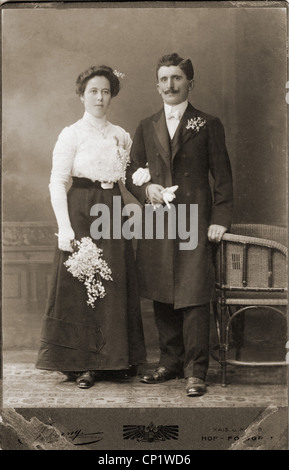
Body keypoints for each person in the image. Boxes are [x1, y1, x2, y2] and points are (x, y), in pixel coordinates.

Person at [126, 53, 233, 396]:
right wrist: (147, 189)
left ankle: (196, 370)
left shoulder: (208, 123)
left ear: (190, 83)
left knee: (194, 294)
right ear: (156, 85)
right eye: (164, 79)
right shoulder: (146, 125)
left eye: (176, 78)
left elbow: (223, 177)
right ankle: (169, 362)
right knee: (162, 290)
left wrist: (219, 220)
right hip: (158, 221)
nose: (170, 85)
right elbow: (130, 171)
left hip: (195, 220)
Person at [35, 65, 146, 388]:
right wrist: (65, 228)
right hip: (81, 208)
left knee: (112, 283)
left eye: (105, 91)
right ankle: (82, 363)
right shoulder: (71, 133)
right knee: (83, 285)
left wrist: (150, 187)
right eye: (93, 91)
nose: (99, 97)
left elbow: (130, 177)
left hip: (112, 210)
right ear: (81, 96)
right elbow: (57, 181)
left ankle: (113, 360)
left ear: (112, 96)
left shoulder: (120, 135)